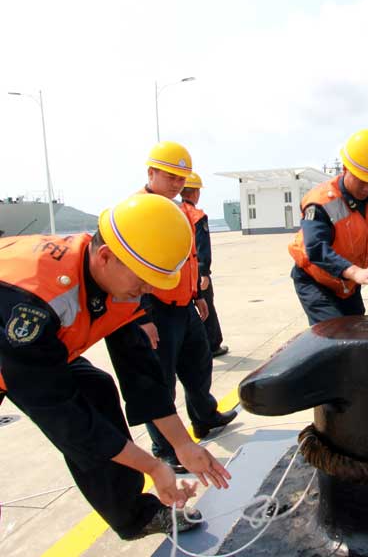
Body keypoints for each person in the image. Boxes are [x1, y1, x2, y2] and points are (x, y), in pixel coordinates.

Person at [0, 194, 231, 540]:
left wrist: (182, 445)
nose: (148, 289)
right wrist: (153, 466)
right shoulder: (33, 300)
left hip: (34, 355)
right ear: (106, 257)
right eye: (144, 279)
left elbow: (142, 375)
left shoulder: (117, 279)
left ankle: (134, 516)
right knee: (81, 419)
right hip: (13, 349)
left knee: (95, 389)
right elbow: (65, 419)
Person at [138, 142, 237, 471]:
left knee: (199, 362)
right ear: (150, 173)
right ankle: (165, 448)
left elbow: (189, 258)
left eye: (182, 179)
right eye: (170, 177)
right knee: (160, 379)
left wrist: (198, 296)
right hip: (154, 308)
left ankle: (205, 417)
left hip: (184, 305)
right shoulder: (136, 212)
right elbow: (128, 271)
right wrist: (143, 317)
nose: (178, 184)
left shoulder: (179, 211)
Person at [288, 129, 368, 325]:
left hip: (348, 285)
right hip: (316, 281)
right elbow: (316, 249)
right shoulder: (321, 202)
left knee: (357, 332)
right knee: (335, 335)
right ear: (345, 168)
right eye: (362, 180)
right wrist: (356, 272)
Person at [180, 173, 228, 358]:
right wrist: (204, 272)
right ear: (195, 193)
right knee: (206, 305)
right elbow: (202, 247)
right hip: (196, 271)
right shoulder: (197, 216)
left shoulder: (174, 212)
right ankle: (213, 344)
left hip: (180, 272)